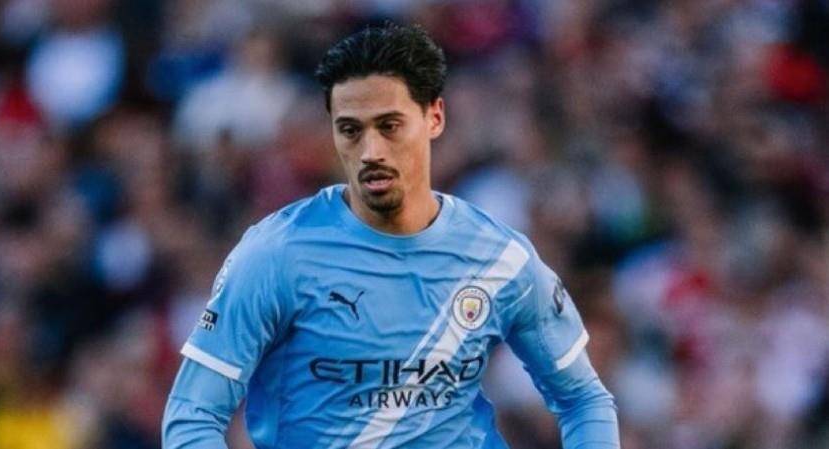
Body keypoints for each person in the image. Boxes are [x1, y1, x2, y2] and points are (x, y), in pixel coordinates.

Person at [162, 24, 620, 449]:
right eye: (350, 130)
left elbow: (584, 399)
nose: (370, 151)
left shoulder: (501, 257)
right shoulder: (275, 254)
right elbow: (192, 416)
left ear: (434, 117)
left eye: (389, 126)